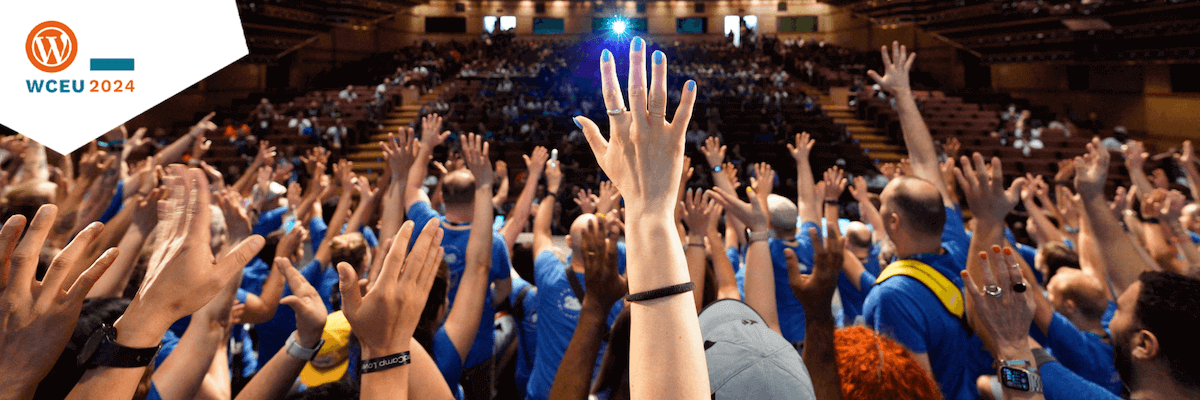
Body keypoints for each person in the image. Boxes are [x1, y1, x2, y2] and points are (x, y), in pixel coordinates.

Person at [404, 115, 513, 398]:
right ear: (477, 198)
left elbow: (412, 189)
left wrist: (426, 146)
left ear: (441, 194)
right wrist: (482, 302)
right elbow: (503, 290)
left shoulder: (425, 225)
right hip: (474, 346)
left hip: (425, 343)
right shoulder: (494, 242)